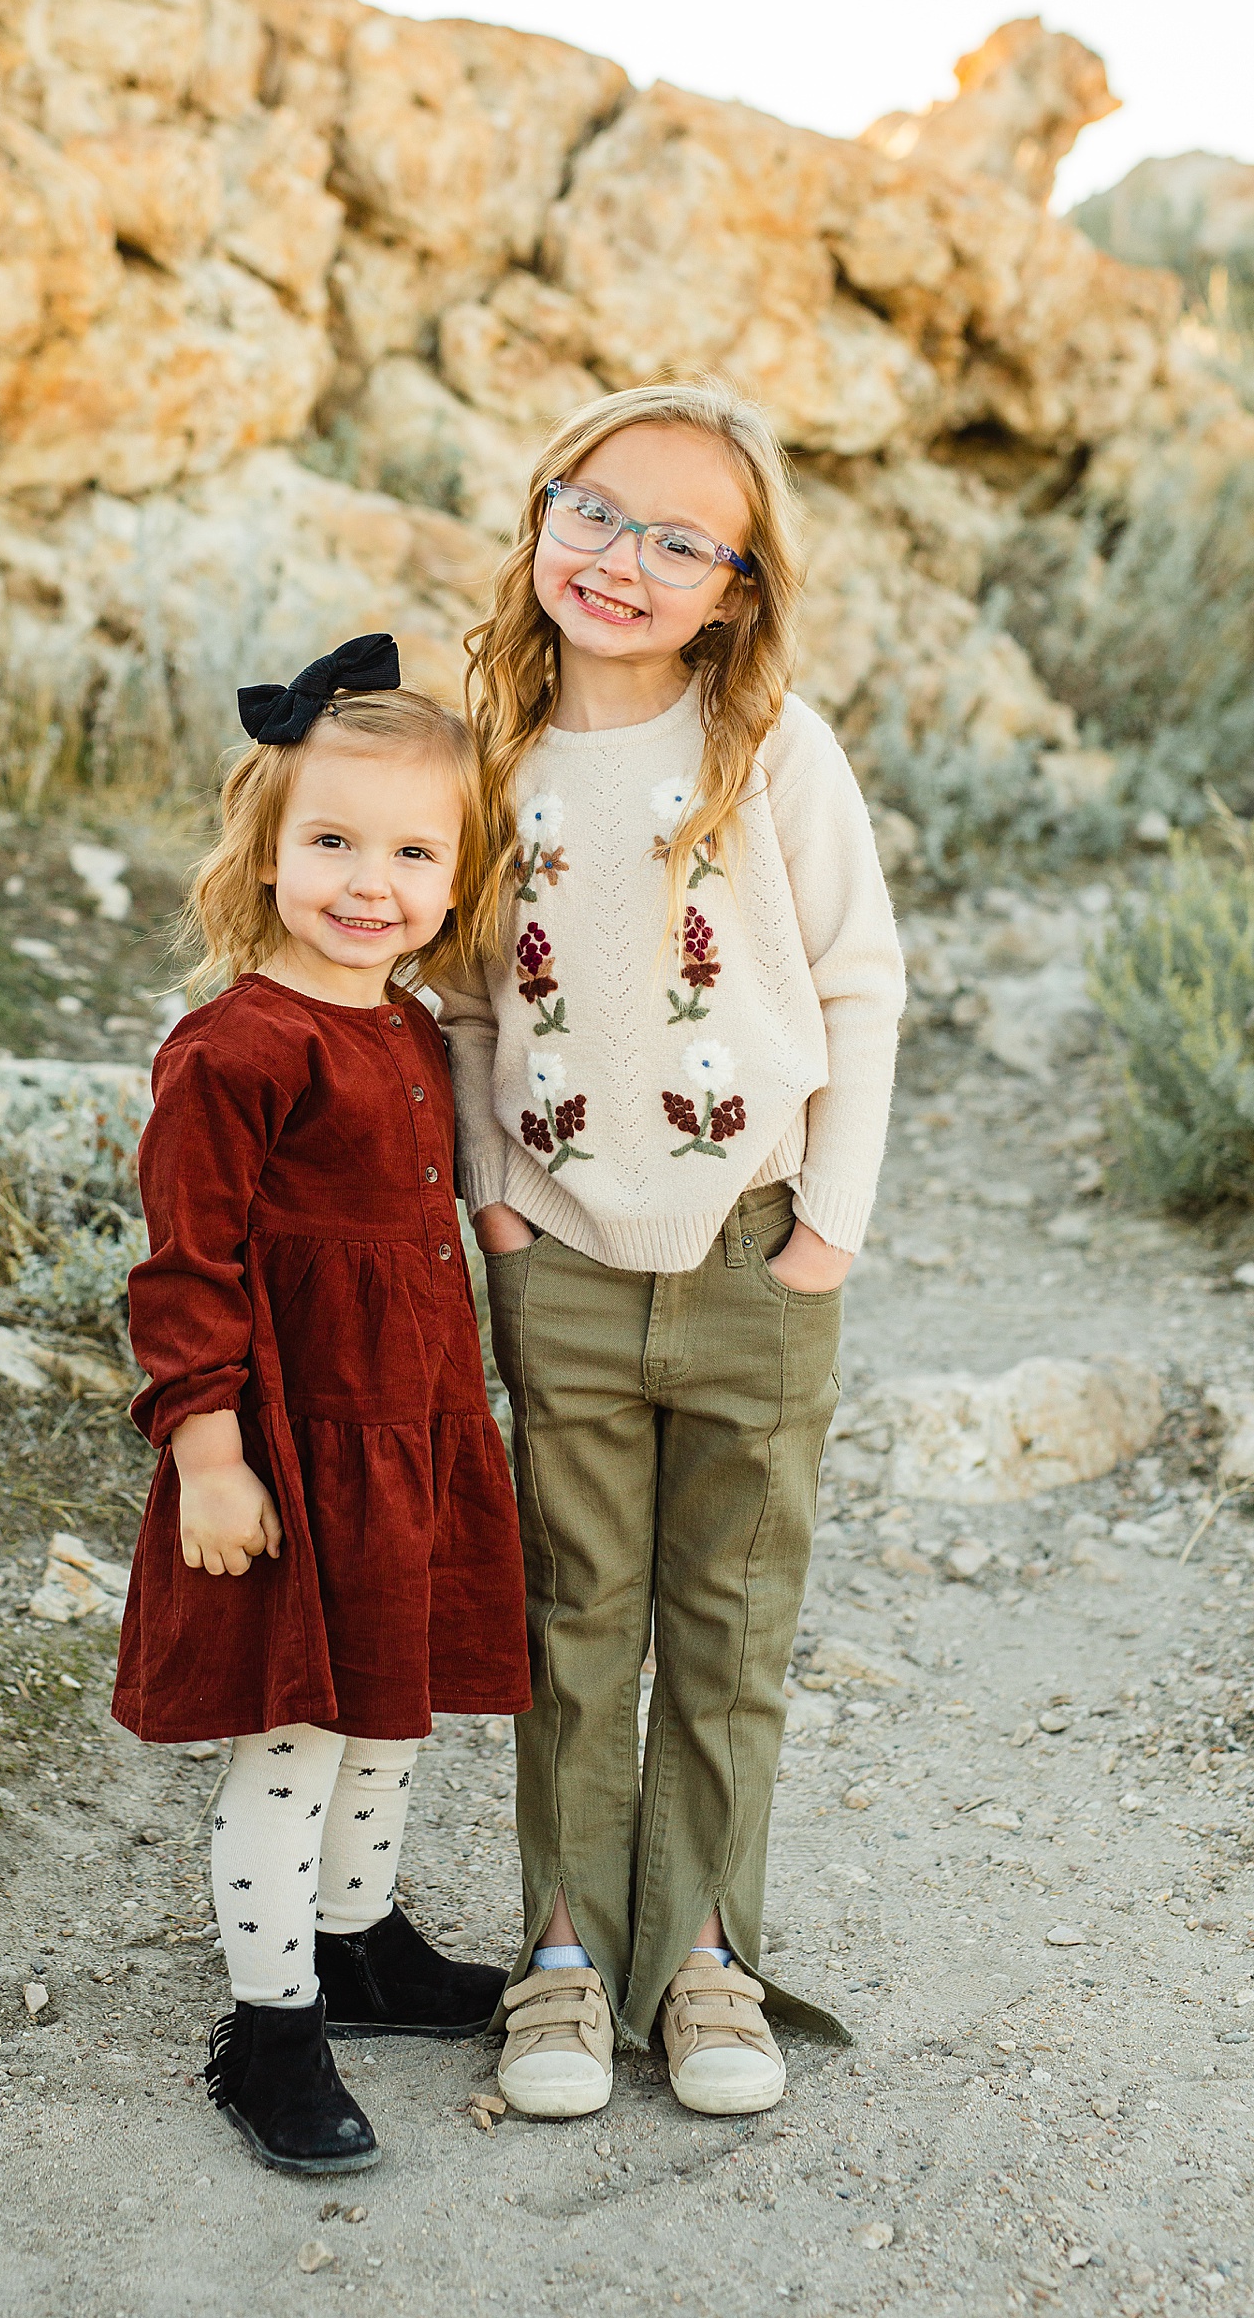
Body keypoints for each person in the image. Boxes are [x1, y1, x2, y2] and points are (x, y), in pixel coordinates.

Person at [441, 378, 906, 2120]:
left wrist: (826, 1237)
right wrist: (496, 1201)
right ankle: (562, 1955)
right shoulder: (493, 757)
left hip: (751, 1258)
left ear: (737, 585)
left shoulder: (767, 747)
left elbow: (860, 984)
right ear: (543, 513)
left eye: (681, 538)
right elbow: (474, 1008)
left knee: (724, 1622)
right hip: (557, 1252)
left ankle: (705, 1954)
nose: (625, 558)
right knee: (575, 1616)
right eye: (596, 508)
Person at [113, 636, 531, 2176]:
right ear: (269, 850)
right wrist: (210, 1456)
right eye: (335, 843)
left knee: (388, 1713)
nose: (374, 882)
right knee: (293, 1734)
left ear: (461, 872)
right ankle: (270, 2022)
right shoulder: (236, 1048)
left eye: (417, 851)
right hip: (290, 1448)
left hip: (407, 1430)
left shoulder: (410, 1024)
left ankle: (359, 1944)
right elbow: (185, 1271)